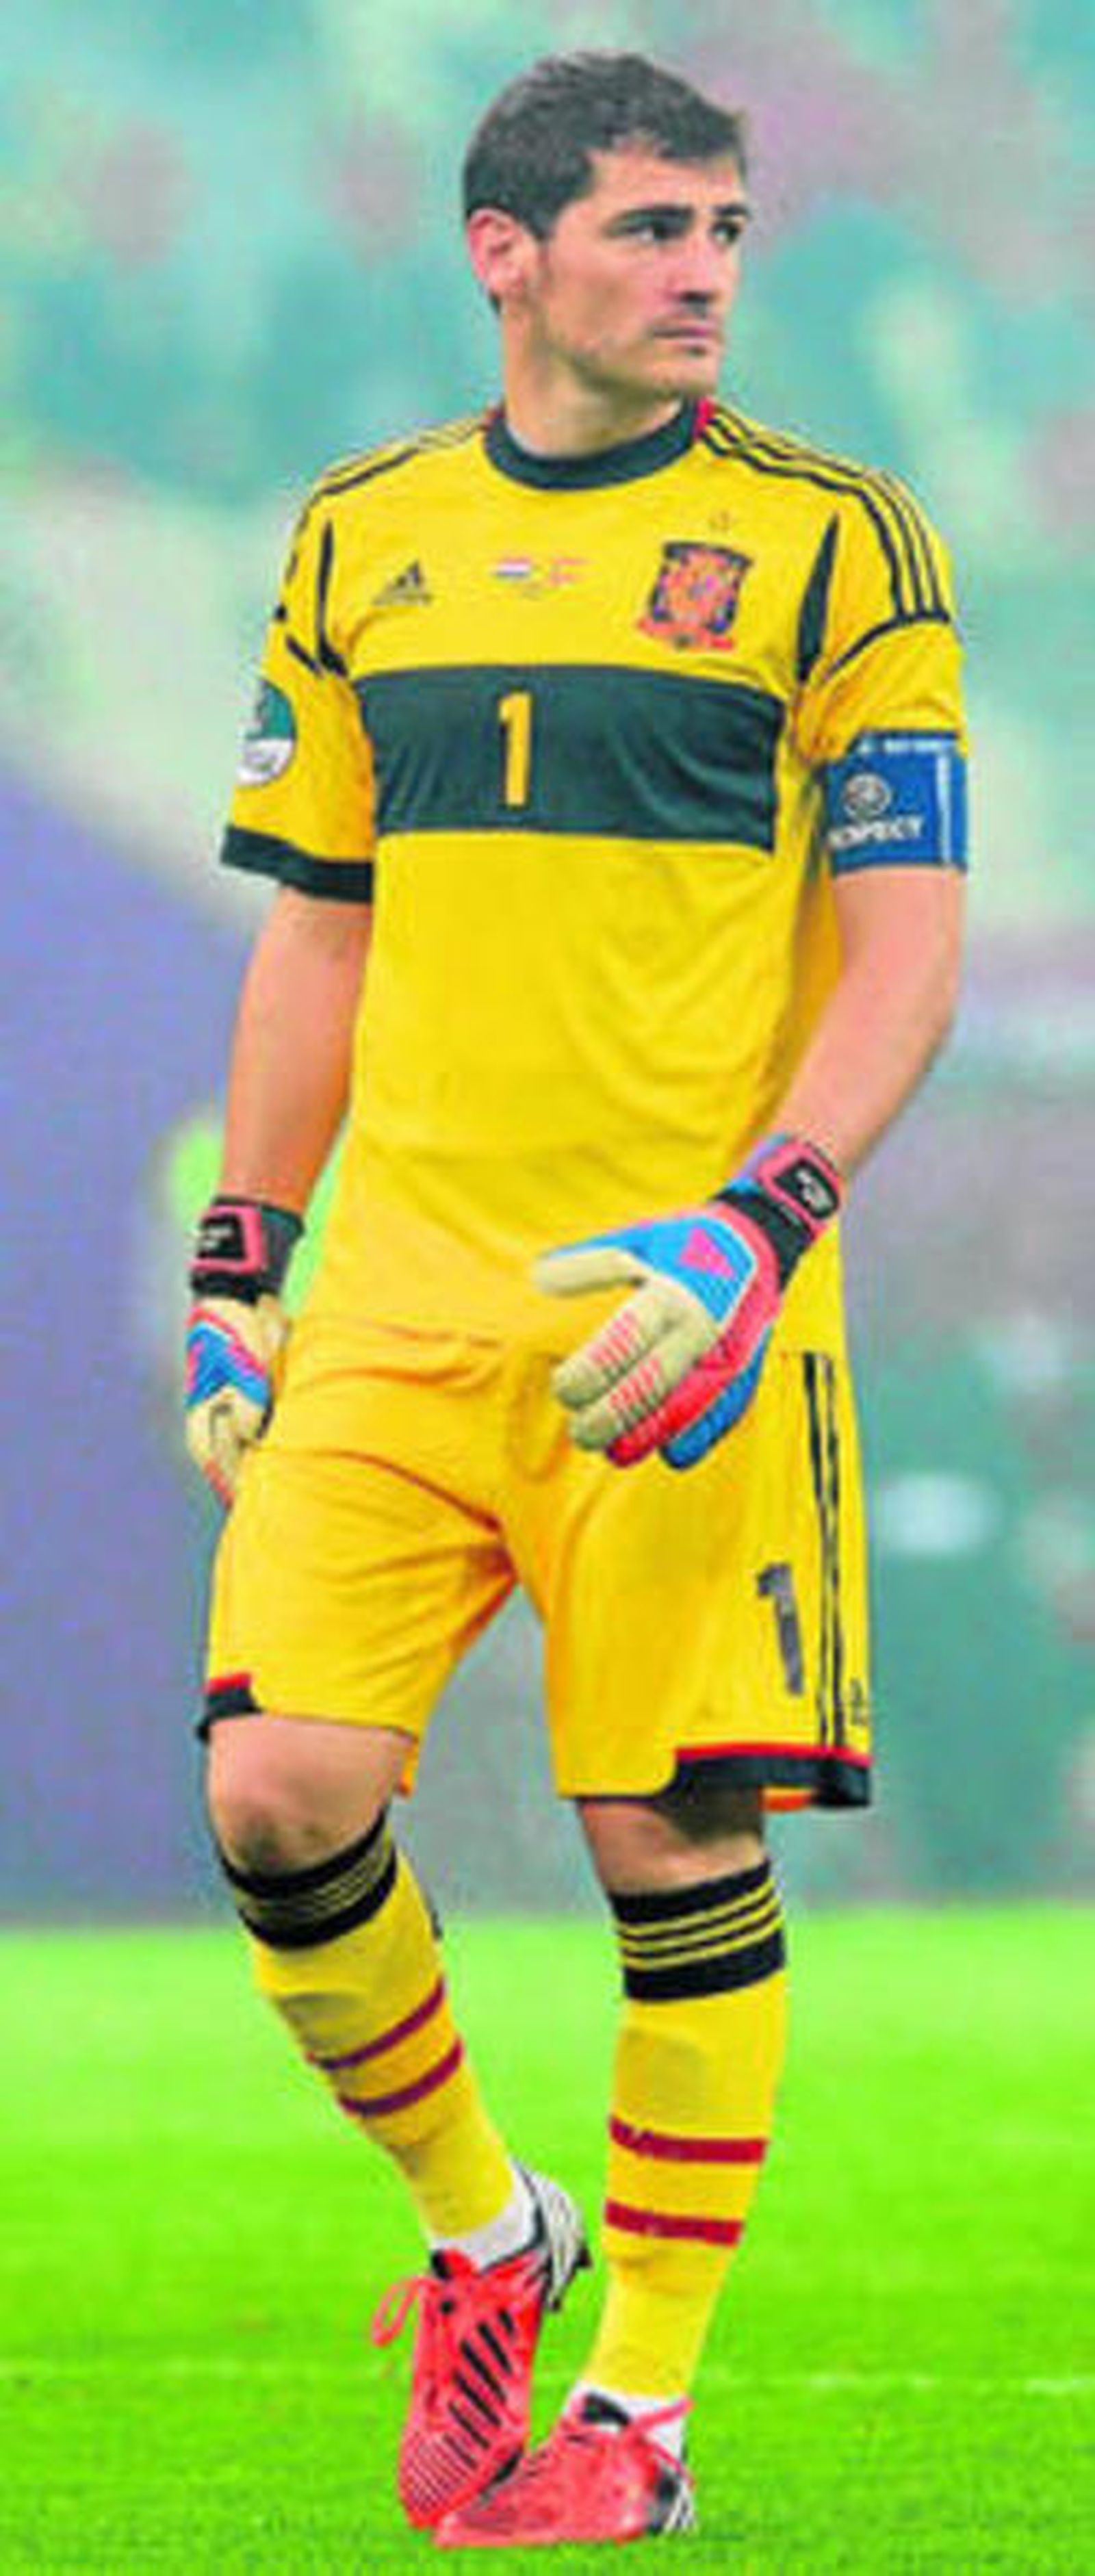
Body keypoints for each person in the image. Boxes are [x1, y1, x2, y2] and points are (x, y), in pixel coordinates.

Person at [184, 49, 967, 2551]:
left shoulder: (841, 545)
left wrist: (767, 1217)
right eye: (649, 228)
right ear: (502, 252)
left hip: (679, 1300)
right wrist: (244, 1255)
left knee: (665, 1830)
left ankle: (637, 2411)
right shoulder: (357, 535)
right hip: (400, 1289)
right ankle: (483, 2228)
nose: (707, 270)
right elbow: (321, 925)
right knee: (275, 1791)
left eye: (729, 228)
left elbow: (906, 939)